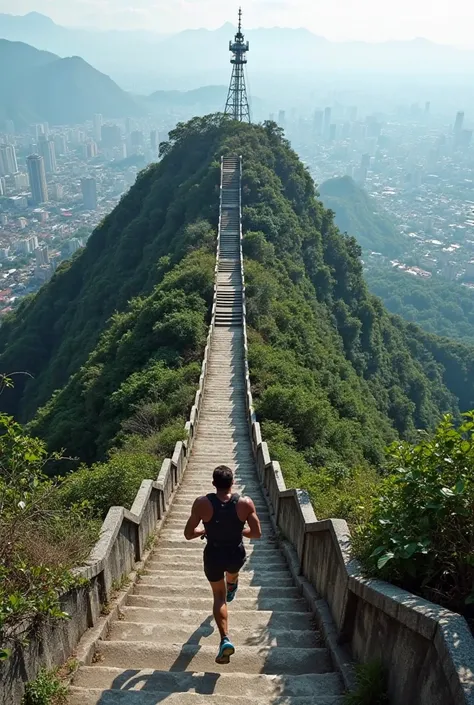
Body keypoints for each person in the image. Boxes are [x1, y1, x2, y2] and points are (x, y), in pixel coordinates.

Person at [184, 465, 262, 664]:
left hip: (214, 555)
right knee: (232, 574)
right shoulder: (245, 503)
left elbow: (188, 534)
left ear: (213, 484)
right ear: (232, 483)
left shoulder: (202, 503)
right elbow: (256, 533)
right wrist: (239, 532)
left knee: (219, 597)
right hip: (235, 553)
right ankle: (233, 584)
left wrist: (204, 531)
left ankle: (225, 639)